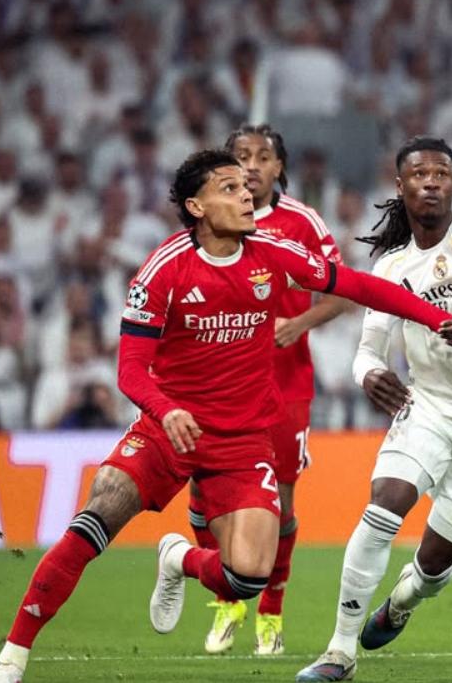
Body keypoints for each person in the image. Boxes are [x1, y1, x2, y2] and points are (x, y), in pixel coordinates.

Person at [0, 147, 452, 683]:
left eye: (245, 186)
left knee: (248, 577)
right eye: (229, 188)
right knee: (95, 519)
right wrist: (166, 411)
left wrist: (439, 320)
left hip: (244, 440)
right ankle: (11, 660)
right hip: (167, 430)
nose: (247, 193)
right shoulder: (164, 270)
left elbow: (358, 286)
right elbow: (130, 372)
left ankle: (178, 558)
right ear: (197, 206)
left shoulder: (273, 252)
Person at [295, 135, 452, 682]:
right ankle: (339, 651)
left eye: (442, 174)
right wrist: (371, 375)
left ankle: (404, 599)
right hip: (428, 408)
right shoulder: (391, 266)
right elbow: (366, 350)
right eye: (420, 174)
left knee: (433, 566)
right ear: (401, 184)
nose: (431, 182)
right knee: (384, 506)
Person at [187, 124, 347, 656]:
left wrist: (299, 324)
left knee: (279, 500)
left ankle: (271, 613)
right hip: (217, 383)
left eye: (263, 157)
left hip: (284, 384)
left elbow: (341, 291)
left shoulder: (301, 221)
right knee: (202, 496)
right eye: (240, 156)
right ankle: (228, 599)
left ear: (280, 168)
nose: (251, 166)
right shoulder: (208, 218)